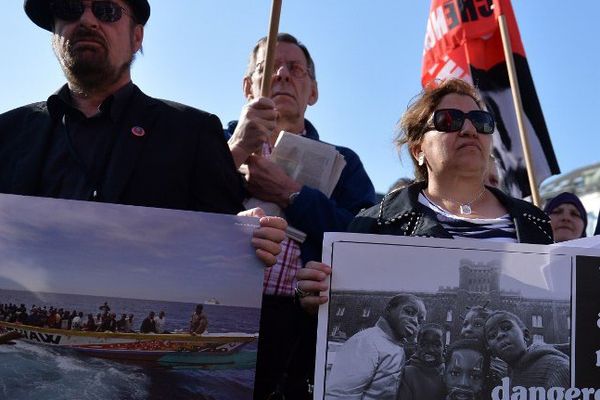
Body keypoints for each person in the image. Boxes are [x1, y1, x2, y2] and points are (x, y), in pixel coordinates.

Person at [0, 0, 286, 272]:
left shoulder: (193, 133)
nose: (87, 20)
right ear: (54, 33)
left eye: (107, 10)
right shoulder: (7, 134)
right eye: (69, 8)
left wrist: (246, 236)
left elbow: (223, 243)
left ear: (136, 37)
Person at [296, 78, 554, 313]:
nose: (469, 129)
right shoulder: (374, 224)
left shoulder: (535, 222)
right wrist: (311, 294)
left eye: (481, 121)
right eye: (449, 120)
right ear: (418, 149)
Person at [225, 33, 376, 398]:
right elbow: (182, 208)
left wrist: (292, 194)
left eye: (295, 69)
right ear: (249, 86)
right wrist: (235, 152)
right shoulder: (211, 142)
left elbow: (362, 237)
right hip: (226, 311)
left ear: (312, 91)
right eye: (268, 68)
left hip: (301, 328)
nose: (282, 75)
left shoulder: (345, 163)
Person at [325, 294, 426, 400]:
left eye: (420, 321)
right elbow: (340, 396)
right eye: (409, 312)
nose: (415, 321)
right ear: (389, 310)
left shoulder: (397, 345)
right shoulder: (366, 342)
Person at [484, 310, 569, 390]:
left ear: (526, 335)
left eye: (506, 328)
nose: (500, 335)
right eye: (492, 335)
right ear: (492, 351)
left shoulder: (555, 368)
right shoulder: (509, 376)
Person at [396, 323, 445, 400]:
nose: (430, 349)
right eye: (424, 344)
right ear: (416, 347)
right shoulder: (407, 373)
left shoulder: (448, 373)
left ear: (444, 348)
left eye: (436, 345)